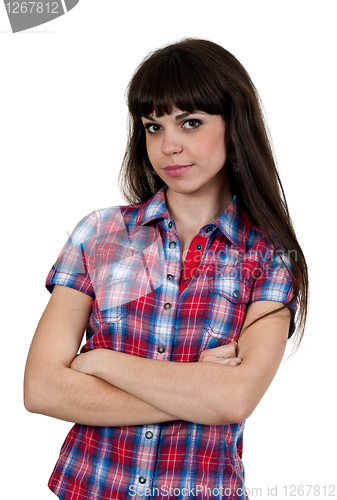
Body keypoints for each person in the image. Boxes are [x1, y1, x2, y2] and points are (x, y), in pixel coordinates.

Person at [24, 38, 308, 500]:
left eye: (190, 123)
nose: (169, 145)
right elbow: (41, 388)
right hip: (90, 488)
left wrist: (98, 363)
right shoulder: (99, 234)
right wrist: (195, 388)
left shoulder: (270, 256)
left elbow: (233, 399)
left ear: (234, 127)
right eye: (153, 127)